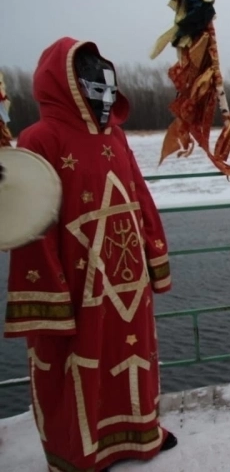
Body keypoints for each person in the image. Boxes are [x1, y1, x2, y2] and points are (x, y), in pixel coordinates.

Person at [3, 37, 177, 471]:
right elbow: (32, 221)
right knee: (77, 366)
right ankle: (79, 452)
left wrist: (154, 253)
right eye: (93, 90)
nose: (104, 100)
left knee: (132, 359)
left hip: (127, 280)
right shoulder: (38, 138)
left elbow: (138, 195)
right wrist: (51, 296)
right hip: (77, 283)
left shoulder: (114, 135)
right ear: (65, 87)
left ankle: (140, 434)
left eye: (108, 90)